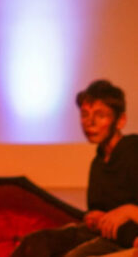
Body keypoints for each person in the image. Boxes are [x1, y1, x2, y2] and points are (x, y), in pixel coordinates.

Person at [12, 80, 138, 256]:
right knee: (35, 243)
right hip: (107, 233)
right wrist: (95, 217)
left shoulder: (133, 150)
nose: (90, 122)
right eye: (85, 115)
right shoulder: (98, 163)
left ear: (120, 121)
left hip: (128, 237)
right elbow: (100, 213)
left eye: (100, 115)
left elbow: (124, 215)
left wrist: (129, 211)